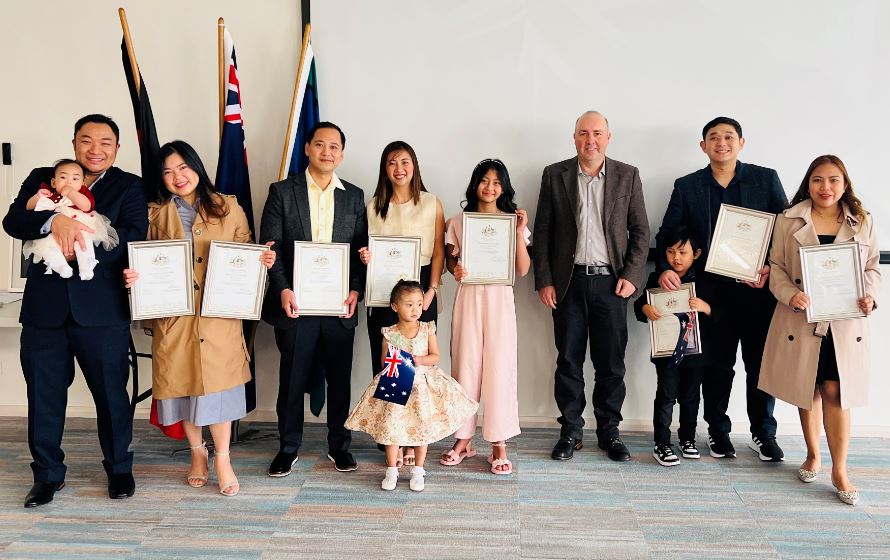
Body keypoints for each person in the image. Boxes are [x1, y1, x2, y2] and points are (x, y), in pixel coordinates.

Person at [2, 114, 148, 508]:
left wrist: (84, 237)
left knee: (111, 395)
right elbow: (14, 221)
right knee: (44, 396)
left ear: (117, 148)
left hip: (102, 312)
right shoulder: (44, 177)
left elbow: (133, 234)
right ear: (74, 144)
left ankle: (119, 469)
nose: (95, 149)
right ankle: (47, 475)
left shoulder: (129, 185)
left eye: (105, 142)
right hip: (44, 312)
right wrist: (55, 221)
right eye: (86, 140)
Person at [123, 141, 275, 497]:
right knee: (182, 389)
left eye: (183, 167)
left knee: (219, 390)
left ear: (196, 167)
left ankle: (223, 458)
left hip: (218, 317)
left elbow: (245, 252)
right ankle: (197, 454)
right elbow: (143, 260)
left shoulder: (229, 207)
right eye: (167, 172)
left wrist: (261, 262)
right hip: (175, 319)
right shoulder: (153, 214)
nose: (177, 177)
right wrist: (134, 277)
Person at [656, 116, 788, 461]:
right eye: (714, 137)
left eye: (729, 137)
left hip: (757, 290)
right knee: (717, 366)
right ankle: (718, 431)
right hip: (710, 295)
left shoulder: (765, 179)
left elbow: (786, 233)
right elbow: (668, 233)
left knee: (759, 365)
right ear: (704, 146)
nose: (722, 143)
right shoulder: (687, 186)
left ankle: (763, 433)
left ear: (741, 143)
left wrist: (771, 268)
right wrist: (665, 269)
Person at [759, 155, 880, 505]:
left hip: (843, 321)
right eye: (817, 180)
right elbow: (776, 267)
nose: (825, 187)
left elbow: (872, 268)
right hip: (801, 317)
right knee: (807, 387)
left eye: (833, 180)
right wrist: (789, 293)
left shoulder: (862, 220)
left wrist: (870, 296)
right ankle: (813, 455)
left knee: (836, 391)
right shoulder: (789, 219)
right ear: (808, 183)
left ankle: (840, 470)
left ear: (845, 184)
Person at [533, 110, 650, 462]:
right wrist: (545, 280)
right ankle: (570, 430)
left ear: (608, 137)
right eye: (583, 133)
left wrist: (631, 276)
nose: (590, 140)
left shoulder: (628, 175)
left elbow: (641, 232)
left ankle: (609, 431)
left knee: (611, 364)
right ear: (574, 138)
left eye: (597, 133)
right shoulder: (555, 174)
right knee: (568, 361)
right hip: (568, 284)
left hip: (612, 283)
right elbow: (543, 232)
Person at [260, 121, 368, 476]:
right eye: (319, 144)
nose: (326, 152)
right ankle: (288, 447)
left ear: (342, 154)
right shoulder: (281, 191)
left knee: (339, 380)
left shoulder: (354, 196)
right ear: (307, 148)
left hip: (339, 306)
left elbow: (361, 251)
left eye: (334, 146)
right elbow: (271, 246)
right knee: (292, 379)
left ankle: (339, 446)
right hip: (295, 304)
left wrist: (355, 290)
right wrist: (283, 289)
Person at [357, 140, 445, 467]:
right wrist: (365, 258)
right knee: (390, 367)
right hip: (383, 292)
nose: (399, 168)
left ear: (414, 166)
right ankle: (392, 436)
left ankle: (414, 437)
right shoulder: (373, 206)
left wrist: (432, 289)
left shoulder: (431, 202)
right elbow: (366, 249)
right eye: (392, 162)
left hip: (420, 289)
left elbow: (439, 251)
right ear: (385, 169)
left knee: (419, 368)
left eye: (405, 161)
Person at [440, 159, 530, 474]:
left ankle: (498, 443)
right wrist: (456, 269)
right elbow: (450, 264)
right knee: (465, 364)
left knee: (499, 367)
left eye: (497, 182)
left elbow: (523, 269)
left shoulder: (512, 221)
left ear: (504, 188)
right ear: (474, 184)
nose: (490, 187)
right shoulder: (457, 222)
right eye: (484, 180)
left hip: (500, 300)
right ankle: (463, 440)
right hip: (468, 298)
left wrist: (518, 232)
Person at [345, 280, 477, 491]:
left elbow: (435, 356)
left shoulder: (426, 329)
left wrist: (419, 359)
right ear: (395, 306)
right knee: (392, 427)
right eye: (409, 304)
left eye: (418, 304)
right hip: (397, 381)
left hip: (421, 384)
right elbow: (383, 362)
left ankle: (418, 470)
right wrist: (396, 360)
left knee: (421, 427)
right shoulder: (389, 333)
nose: (415, 309)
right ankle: (391, 470)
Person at [634, 226, 719, 466]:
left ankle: (687, 439)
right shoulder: (658, 278)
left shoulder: (705, 280)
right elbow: (640, 305)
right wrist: (646, 308)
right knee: (666, 396)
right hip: (666, 352)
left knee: (691, 397)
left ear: (696, 254)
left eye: (683, 252)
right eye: (671, 252)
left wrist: (706, 308)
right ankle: (661, 443)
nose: (676, 258)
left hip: (696, 354)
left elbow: (721, 314)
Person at [23, 159, 117, 280]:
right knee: (47, 246)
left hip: (79, 225)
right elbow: (29, 207)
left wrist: (71, 193)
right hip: (55, 231)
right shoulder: (51, 195)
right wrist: (38, 196)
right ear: (53, 183)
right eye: (63, 177)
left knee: (84, 242)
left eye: (75, 179)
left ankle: (86, 266)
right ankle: (61, 267)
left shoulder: (82, 194)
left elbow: (86, 206)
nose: (69, 182)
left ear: (83, 184)